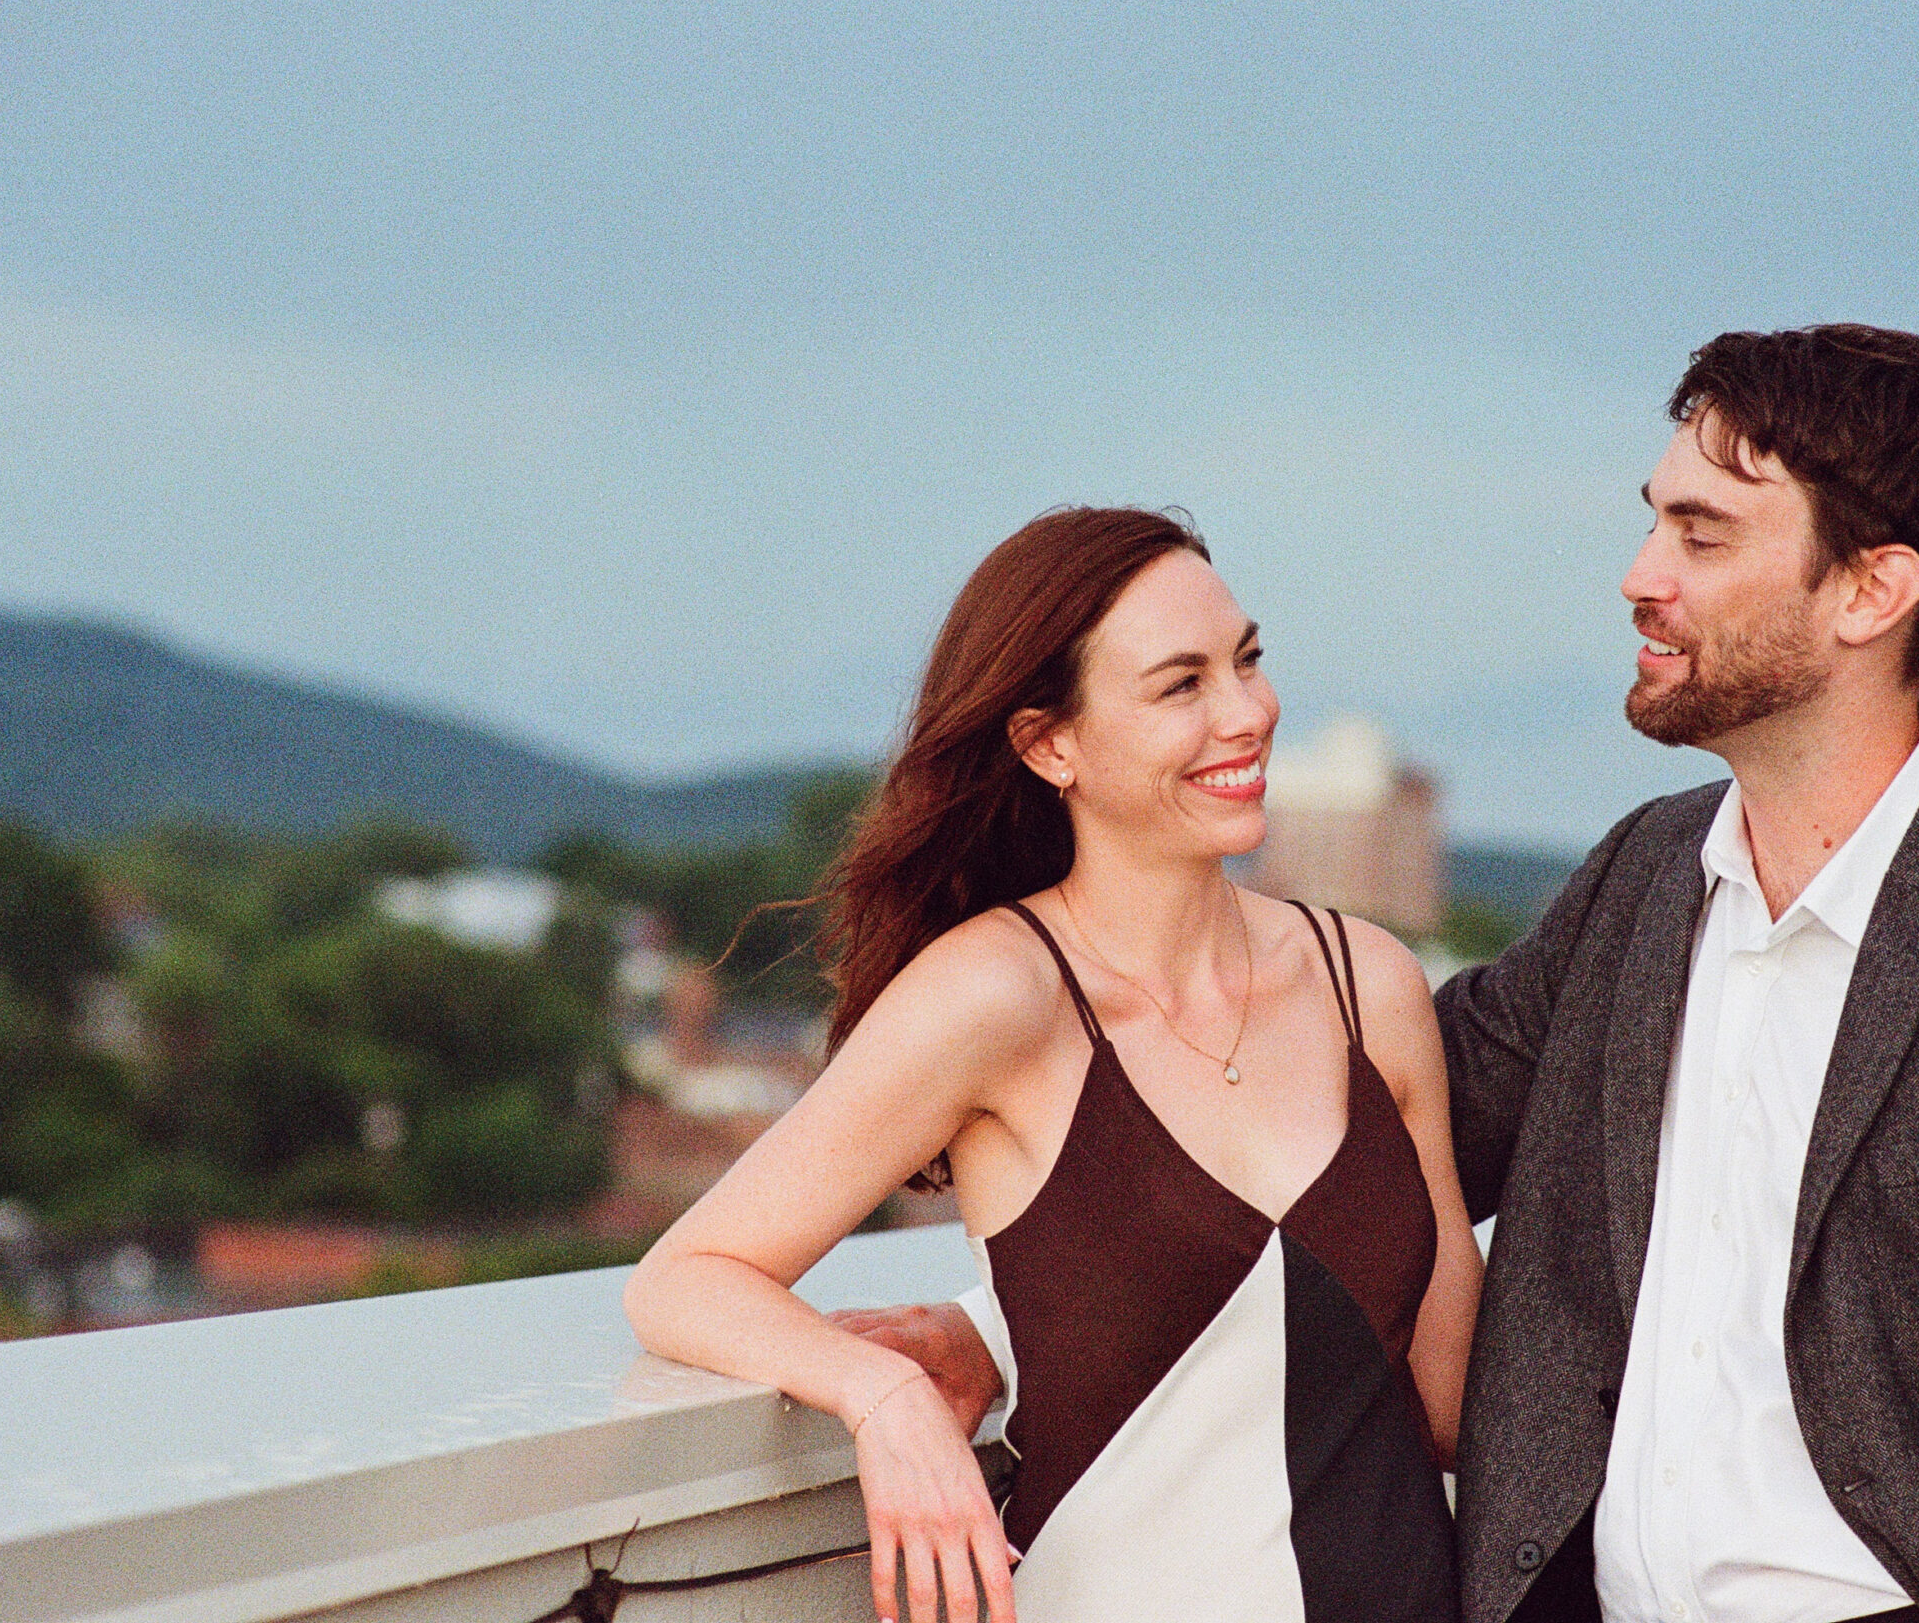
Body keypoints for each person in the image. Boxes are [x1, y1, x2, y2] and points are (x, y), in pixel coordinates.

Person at [858, 325, 1919, 1623]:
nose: (1640, 577)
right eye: (1655, 525)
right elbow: (1330, 1174)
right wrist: (1036, 1331)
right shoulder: (1640, 885)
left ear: (1870, 590)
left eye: (1702, 537)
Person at [622, 506, 1484, 1623]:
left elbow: (1453, 1395)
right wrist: (882, 1392)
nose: (1249, 712)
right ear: (1049, 744)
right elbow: (686, 1275)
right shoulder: (996, 995)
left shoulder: (1371, 983)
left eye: (1248, 660)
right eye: (1182, 684)